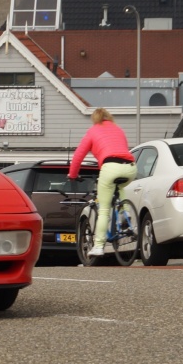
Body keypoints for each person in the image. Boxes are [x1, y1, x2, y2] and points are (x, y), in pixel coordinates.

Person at [69, 108, 137, 257]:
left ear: (95, 119)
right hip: (131, 167)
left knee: (104, 209)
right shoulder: (118, 129)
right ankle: (124, 213)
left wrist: (72, 174)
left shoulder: (93, 131)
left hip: (110, 167)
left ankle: (99, 246)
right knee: (118, 186)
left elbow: (79, 155)